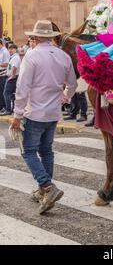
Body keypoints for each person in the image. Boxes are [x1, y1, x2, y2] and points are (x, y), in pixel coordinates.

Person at [11, 20, 77, 215]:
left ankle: (47, 186)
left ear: (38, 37)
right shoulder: (63, 56)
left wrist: (17, 114)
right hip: (53, 112)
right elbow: (72, 84)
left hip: (35, 112)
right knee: (46, 151)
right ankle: (43, 191)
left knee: (29, 152)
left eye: (32, 37)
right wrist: (65, 97)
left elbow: (22, 88)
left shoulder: (31, 56)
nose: (31, 39)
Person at [0, 44, 21, 116]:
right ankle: (11, 109)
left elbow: (14, 68)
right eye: (9, 49)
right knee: (12, 94)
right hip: (11, 77)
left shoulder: (15, 57)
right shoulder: (13, 57)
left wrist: (12, 76)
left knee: (6, 93)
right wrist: (4, 73)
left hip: (12, 78)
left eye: (12, 49)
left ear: (15, 49)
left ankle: (8, 110)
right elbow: (9, 68)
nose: (10, 50)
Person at [0, 39, 10, 113]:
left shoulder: (5, 51)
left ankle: (3, 106)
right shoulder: (1, 51)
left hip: (3, 72)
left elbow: (6, 64)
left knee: (2, 90)